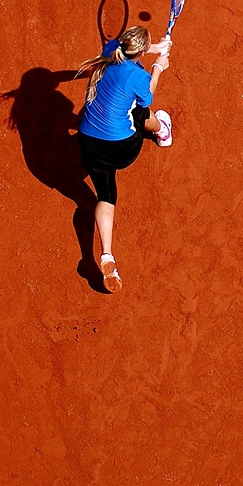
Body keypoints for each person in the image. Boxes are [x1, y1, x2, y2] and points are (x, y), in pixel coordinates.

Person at [76, 26, 172, 292]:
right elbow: (147, 95)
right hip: (121, 149)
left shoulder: (110, 51)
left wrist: (153, 48)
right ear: (139, 52)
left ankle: (106, 254)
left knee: (106, 195)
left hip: (88, 144)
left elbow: (122, 45)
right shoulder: (138, 76)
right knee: (142, 113)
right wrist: (158, 66)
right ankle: (162, 131)